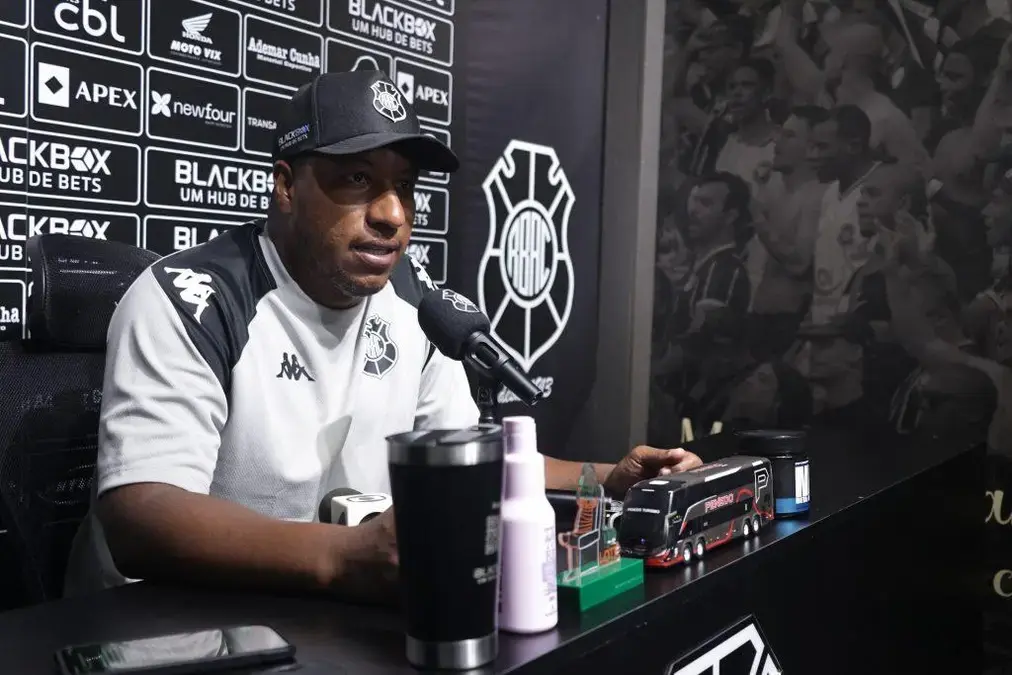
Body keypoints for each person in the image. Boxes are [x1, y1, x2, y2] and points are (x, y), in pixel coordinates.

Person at [62, 71, 703, 602]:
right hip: (165, 629)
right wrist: (346, 558)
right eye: (358, 179)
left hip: (322, 615)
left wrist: (606, 479)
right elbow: (142, 515)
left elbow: (468, 462)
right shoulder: (191, 298)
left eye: (404, 187)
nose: (393, 215)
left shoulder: (414, 302)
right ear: (285, 186)